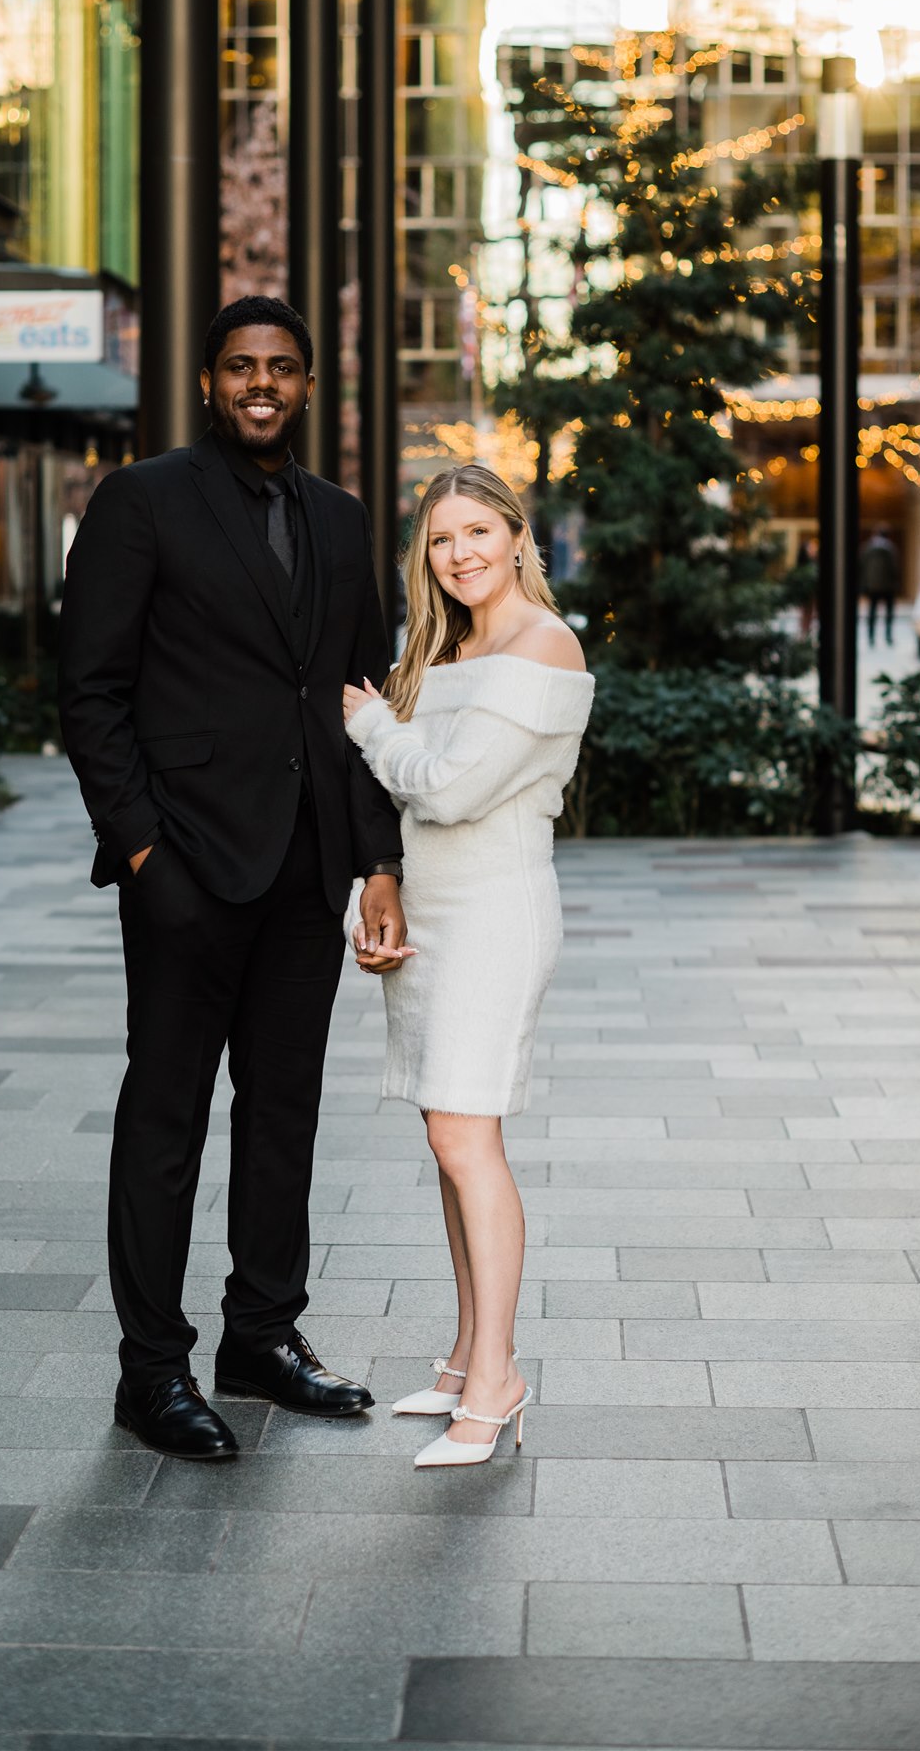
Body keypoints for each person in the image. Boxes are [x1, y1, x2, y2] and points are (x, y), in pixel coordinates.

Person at [58, 294, 410, 1461]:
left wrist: (375, 859)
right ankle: (148, 1370)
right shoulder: (144, 498)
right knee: (165, 1118)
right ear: (210, 380)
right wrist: (143, 848)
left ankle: (261, 1334)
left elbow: (356, 699)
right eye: (242, 366)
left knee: (284, 1114)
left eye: (285, 367)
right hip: (189, 866)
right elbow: (91, 689)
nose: (263, 383)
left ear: (309, 385)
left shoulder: (341, 515)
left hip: (307, 866)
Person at [342, 464, 593, 1470]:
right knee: (448, 1135)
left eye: (478, 531)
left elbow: (442, 790)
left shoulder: (544, 642)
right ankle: (464, 1354)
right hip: (435, 910)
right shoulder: (443, 642)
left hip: (495, 909)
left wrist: (369, 724)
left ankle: (497, 1377)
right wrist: (385, 886)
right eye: (441, 539)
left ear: (517, 533)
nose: (460, 554)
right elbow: (414, 806)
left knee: (463, 1135)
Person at [860, 527, 901, 645]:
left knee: (872, 611)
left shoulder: (868, 547)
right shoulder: (891, 548)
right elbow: (894, 567)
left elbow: (862, 565)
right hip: (888, 585)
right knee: (889, 612)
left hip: (872, 585)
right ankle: (888, 636)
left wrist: (865, 583)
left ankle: (871, 637)